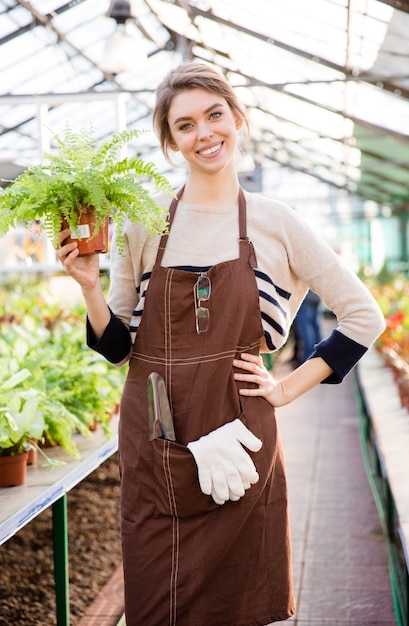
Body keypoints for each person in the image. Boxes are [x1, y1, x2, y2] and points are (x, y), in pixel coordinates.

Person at [56, 61, 385, 626]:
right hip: (154, 434)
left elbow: (363, 317)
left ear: (238, 118)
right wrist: (88, 288)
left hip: (239, 437)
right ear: (170, 141)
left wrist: (283, 390)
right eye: (185, 125)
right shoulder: (144, 222)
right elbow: (117, 345)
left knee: (239, 604)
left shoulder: (276, 222)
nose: (205, 133)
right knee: (156, 603)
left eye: (214, 115)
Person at [293, 289, 322, 365]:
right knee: (316, 327)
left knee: (305, 329)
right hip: (317, 295)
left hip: (305, 297)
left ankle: (307, 359)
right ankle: (319, 356)